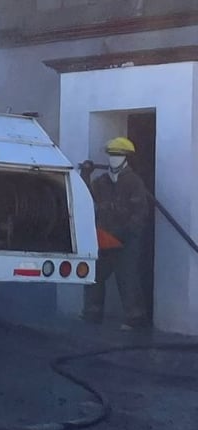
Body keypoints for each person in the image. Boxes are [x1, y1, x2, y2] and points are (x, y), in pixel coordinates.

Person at [82, 136, 149, 330]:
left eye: (118, 155)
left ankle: (136, 319)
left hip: (127, 240)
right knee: (95, 275)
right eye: (111, 154)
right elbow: (86, 197)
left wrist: (126, 232)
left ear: (126, 157)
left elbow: (141, 213)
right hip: (104, 237)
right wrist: (85, 174)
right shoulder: (102, 181)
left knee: (127, 277)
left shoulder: (134, 182)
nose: (113, 158)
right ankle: (92, 314)